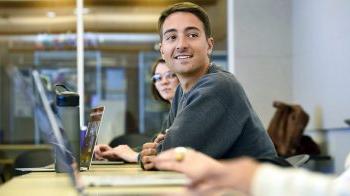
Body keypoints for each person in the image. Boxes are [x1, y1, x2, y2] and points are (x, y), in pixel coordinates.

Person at [140, 2, 277, 170]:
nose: (181, 44)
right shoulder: (181, 93)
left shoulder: (218, 86)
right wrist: (160, 147)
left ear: (209, 45)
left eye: (192, 35)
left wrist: (158, 150)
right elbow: (161, 141)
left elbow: (171, 155)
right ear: (162, 50)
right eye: (171, 37)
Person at [154, 148, 350, 196]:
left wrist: (248, 175)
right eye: (157, 77)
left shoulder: (217, 85)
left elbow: (166, 149)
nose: (164, 81)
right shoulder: (184, 93)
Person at [93, 58, 179, 162]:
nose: (164, 82)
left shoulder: (184, 111)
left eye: (170, 75)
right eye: (158, 77)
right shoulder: (171, 115)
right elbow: (153, 149)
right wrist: (117, 153)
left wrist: (133, 155)